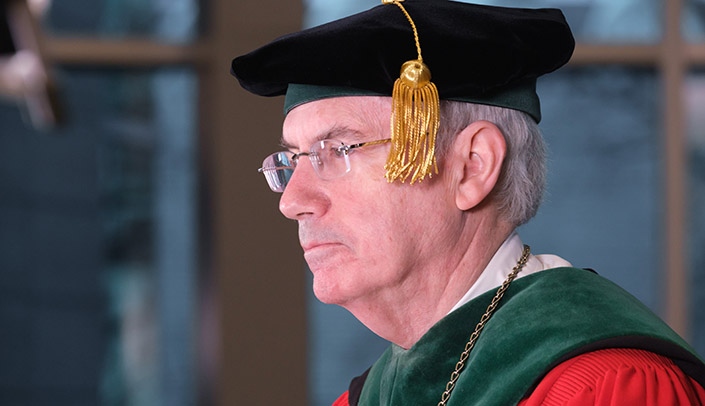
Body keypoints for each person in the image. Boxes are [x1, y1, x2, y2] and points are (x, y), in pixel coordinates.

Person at [231, 0, 705, 404]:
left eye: (335, 150)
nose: (293, 202)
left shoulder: (606, 386)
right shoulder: (369, 396)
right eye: (293, 160)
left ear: (472, 166)